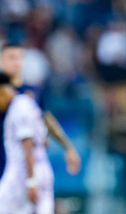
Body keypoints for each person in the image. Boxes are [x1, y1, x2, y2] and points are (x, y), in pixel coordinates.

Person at [0, 43, 81, 179]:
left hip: (25, 159)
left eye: (19, 58)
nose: (16, 62)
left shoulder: (34, 90)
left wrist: (68, 147)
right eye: (11, 58)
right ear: (2, 60)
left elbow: (45, 118)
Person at [0, 72, 54, 213]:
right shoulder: (29, 103)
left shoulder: (18, 108)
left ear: (3, 91)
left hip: (22, 173)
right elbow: (44, 140)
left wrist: (31, 182)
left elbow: (27, 144)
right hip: (41, 170)